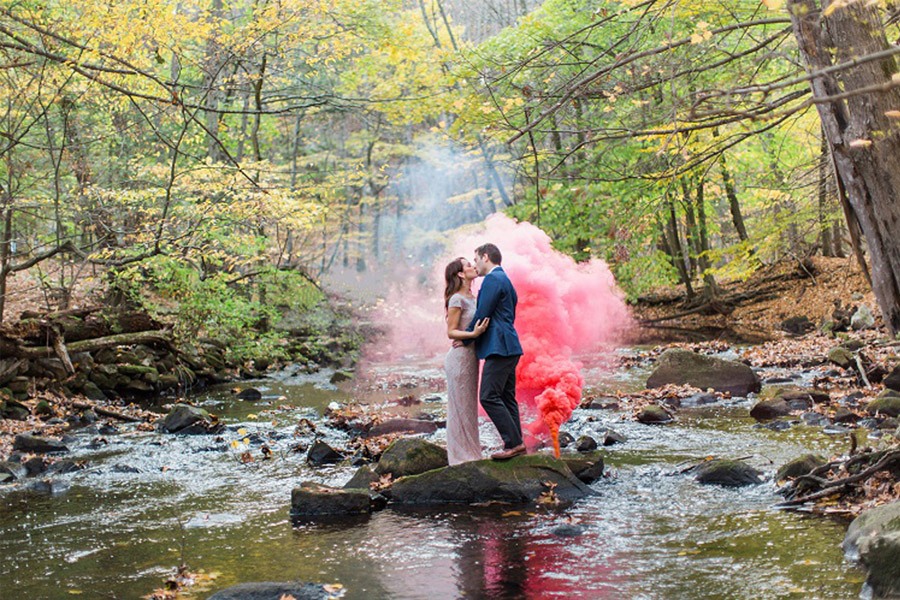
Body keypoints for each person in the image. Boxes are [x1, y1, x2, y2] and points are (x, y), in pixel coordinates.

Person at [466, 243, 526, 460]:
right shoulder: (506, 280)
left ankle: (513, 444)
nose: (475, 265)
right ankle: (517, 443)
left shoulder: (492, 279)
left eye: (476, 260)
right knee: (507, 397)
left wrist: (464, 337)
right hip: (510, 345)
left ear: (485, 257)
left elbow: (483, 313)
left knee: (489, 396)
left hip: (499, 346)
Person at [443, 257, 490, 465]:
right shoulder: (456, 299)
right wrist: (474, 334)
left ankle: (472, 452)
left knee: (469, 407)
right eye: (468, 265)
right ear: (461, 274)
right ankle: (461, 457)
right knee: (460, 407)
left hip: (471, 357)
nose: (473, 266)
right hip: (460, 358)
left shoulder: (473, 296)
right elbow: (451, 332)